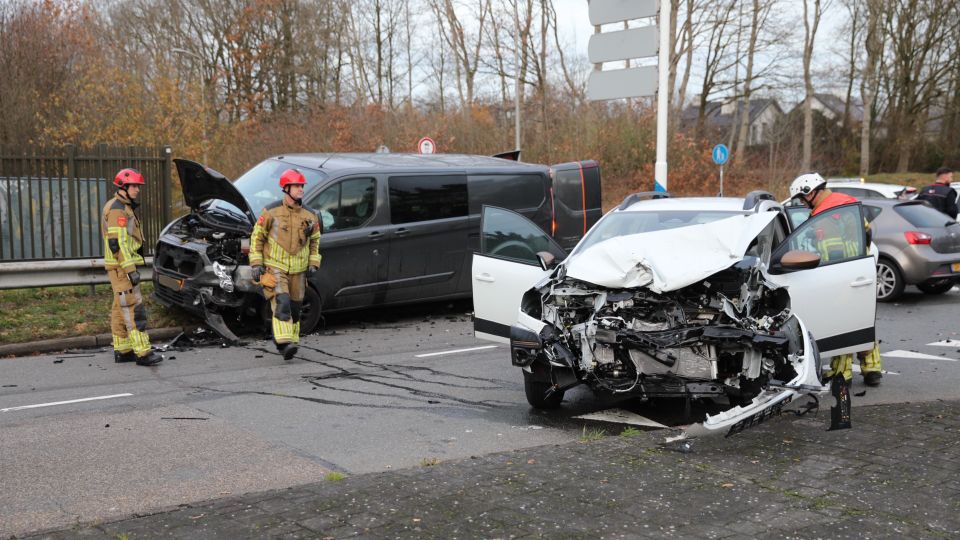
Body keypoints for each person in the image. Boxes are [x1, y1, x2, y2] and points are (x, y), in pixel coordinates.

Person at [789, 173, 882, 387]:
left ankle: (842, 374)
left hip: (842, 273)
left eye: (802, 199)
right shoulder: (845, 202)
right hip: (861, 267)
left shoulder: (825, 215)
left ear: (810, 192)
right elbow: (867, 234)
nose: (802, 203)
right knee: (862, 321)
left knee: (843, 324)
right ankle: (872, 368)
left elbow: (833, 253)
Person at [248, 169, 321, 360]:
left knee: (296, 309)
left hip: (299, 271)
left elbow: (315, 241)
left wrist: (314, 262)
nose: (301, 189)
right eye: (297, 186)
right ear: (286, 188)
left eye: (302, 186)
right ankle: (283, 343)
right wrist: (256, 264)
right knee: (282, 303)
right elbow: (256, 238)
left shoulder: (311, 215)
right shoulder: (270, 212)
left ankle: (291, 341)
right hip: (275, 268)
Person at [101, 169, 163, 366]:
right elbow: (117, 244)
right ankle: (142, 353)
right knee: (134, 308)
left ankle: (123, 349)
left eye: (138, 186)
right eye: (134, 186)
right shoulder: (118, 209)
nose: (137, 189)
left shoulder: (123, 207)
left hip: (119, 266)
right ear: (124, 187)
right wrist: (130, 270)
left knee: (120, 309)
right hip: (122, 268)